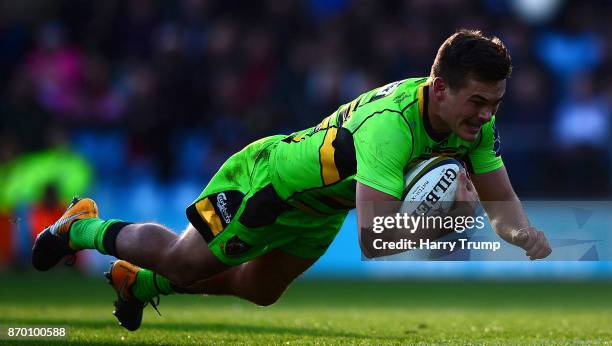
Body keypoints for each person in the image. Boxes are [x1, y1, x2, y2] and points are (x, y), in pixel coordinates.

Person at [32, 29, 552, 331]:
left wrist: (525, 235)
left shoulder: (473, 127)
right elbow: (374, 240)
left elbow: (502, 210)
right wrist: (443, 226)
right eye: (477, 101)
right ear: (440, 89)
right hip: (272, 186)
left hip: (321, 208)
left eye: (494, 103)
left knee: (259, 291)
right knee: (183, 260)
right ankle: (81, 227)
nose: (485, 115)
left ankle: (135, 282)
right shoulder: (391, 129)